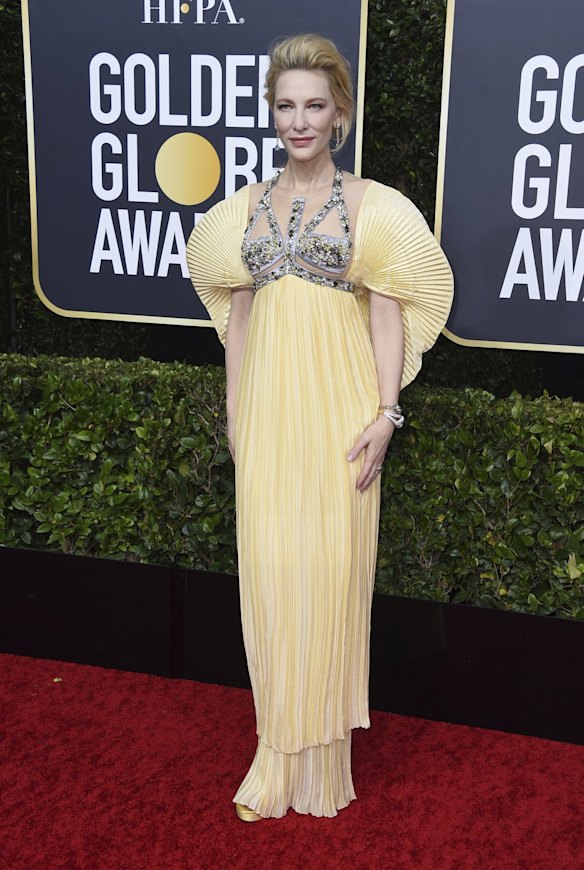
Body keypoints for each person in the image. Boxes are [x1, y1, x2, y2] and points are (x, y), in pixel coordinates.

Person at [186, 33, 454, 821]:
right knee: (272, 583)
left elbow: (389, 311)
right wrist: (237, 420)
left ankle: (322, 771)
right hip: (268, 419)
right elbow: (238, 315)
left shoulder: (374, 207)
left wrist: (384, 416)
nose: (298, 121)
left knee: (328, 584)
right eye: (284, 106)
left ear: (340, 113)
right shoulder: (242, 209)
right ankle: (277, 759)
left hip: (339, 418)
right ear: (271, 114)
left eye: (314, 106)